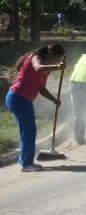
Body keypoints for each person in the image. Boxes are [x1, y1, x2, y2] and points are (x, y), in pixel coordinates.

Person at [5, 44, 66, 172]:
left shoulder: (46, 70)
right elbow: (38, 68)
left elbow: (41, 88)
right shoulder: (35, 57)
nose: (58, 62)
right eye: (58, 59)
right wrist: (57, 67)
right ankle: (26, 164)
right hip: (18, 97)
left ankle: (24, 162)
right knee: (29, 131)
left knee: (27, 131)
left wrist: (54, 100)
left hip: (21, 99)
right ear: (51, 55)